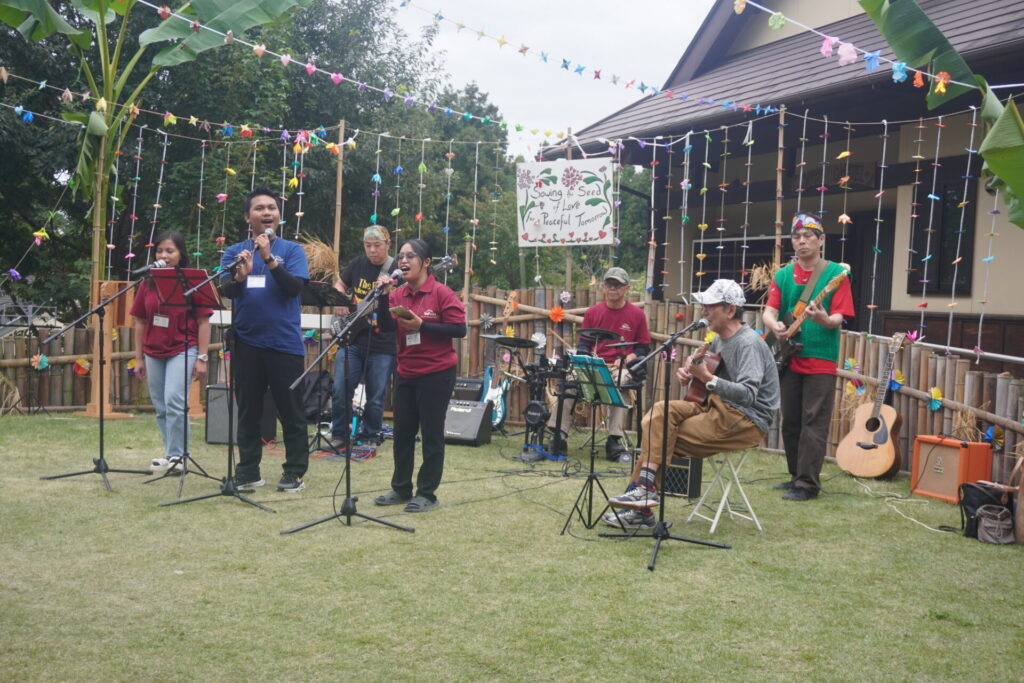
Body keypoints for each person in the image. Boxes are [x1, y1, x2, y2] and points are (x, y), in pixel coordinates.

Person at [603, 279, 779, 529]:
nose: (703, 311)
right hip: (716, 406)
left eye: (710, 306)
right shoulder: (718, 340)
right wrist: (691, 374)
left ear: (730, 310)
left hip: (746, 419)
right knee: (660, 413)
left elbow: (748, 395)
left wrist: (706, 378)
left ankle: (641, 504)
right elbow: (708, 375)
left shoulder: (748, 343)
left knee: (661, 435)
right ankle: (643, 493)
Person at [218, 187, 310, 493]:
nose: (267, 212)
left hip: (283, 343)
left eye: (272, 207)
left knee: (291, 411)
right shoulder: (235, 252)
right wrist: (240, 277)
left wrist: (269, 259)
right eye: (259, 208)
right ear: (248, 217)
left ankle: (294, 471)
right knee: (248, 411)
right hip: (246, 342)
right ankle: (248, 471)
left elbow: (294, 288)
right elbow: (226, 292)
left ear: (279, 215)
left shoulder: (292, 250)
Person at [762, 212, 854, 501]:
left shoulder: (836, 274)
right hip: (788, 356)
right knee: (790, 420)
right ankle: (795, 475)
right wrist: (774, 325)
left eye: (808, 236)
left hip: (821, 356)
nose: (802, 241)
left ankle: (808, 484)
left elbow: (838, 317)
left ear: (821, 240)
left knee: (814, 420)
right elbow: (770, 310)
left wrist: (823, 319)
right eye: (797, 237)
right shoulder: (782, 275)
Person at [373, 238, 466, 513]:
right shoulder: (397, 294)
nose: (403, 261)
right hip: (406, 371)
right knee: (402, 433)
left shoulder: (441, 293)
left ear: (425, 262)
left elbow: (459, 329)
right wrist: (382, 296)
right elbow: (386, 327)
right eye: (400, 256)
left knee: (431, 435)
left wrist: (422, 325)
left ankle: (427, 493)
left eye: (410, 256)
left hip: (437, 373)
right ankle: (401, 488)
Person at [549, 266, 650, 462]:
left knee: (620, 385)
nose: (613, 288)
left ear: (626, 289)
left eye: (617, 285)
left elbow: (643, 347)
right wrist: (586, 360)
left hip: (619, 367)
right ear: (603, 287)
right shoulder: (593, 312)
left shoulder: (637, 314)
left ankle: (614, 440)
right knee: (568, 382)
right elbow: (584, 345)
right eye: (609, 284)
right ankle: (558, 436)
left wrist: (629, 358)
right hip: (595, 365)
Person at [131, 231, 213, 473]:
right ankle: (170, 454)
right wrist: (138, 358)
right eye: (159, 251)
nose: (164, 255)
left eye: (170, 251)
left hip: (183, 348)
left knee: (174, 401)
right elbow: (140, 321)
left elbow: (204, 322)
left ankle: (179, 455)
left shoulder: (191, 282)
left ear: (180, 254)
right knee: (161, 405)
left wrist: (202, 357)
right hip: (152, 351)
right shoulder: (146, 283)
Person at [326, 225, 397, 452]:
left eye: (377, 245)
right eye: (368, 245)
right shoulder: (357, 264)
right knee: (341, 389)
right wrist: (339, 299)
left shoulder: (396, 268)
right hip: (352, 339)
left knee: (376, 396)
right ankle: (339, 435)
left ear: (388, 244)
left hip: (383, 343)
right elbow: (340, 284)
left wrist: (389, 295)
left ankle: (370, 435)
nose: (372, 250)